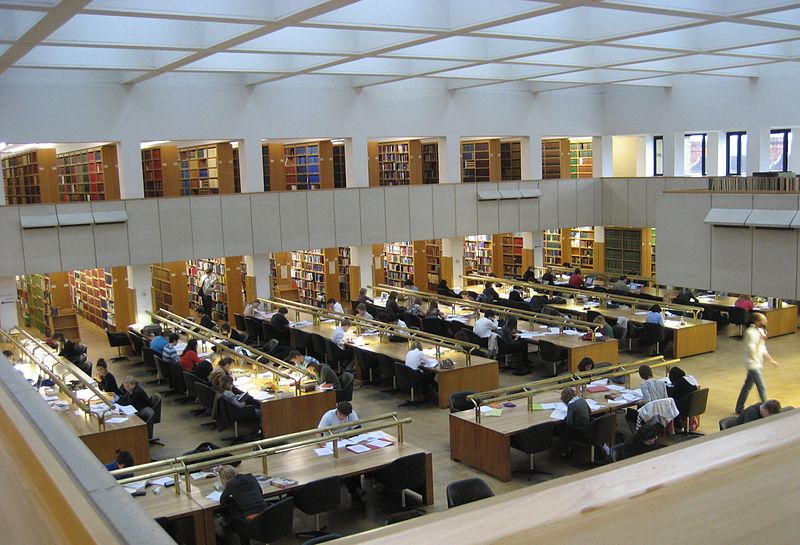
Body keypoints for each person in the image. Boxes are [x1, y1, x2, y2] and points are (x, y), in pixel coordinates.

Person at [317, 401, 367, 501]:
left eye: (344, 416)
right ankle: (352, 489)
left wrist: (359, 439)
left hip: (346, 442)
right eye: (340, 415)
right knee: (341, 464)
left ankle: (356, 489)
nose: (342, 418)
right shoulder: (328, 416)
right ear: (337, 411)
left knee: (352, 463)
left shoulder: (351, 414)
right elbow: (318, 432)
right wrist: (321, 442)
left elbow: (357, 429)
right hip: (331, 444)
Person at [735, 312, 779, 414]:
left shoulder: (760, 331)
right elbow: (752, 351)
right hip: (752, 364)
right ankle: (768, 409)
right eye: (763, 319)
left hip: (758, 363)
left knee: (747, 387)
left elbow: (763, 349)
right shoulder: (750, 333)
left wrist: (770, 359)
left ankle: (739, 408)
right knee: (761, 387)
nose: (766, 321)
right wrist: (761, 340)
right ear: (756, 321)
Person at [559, 387, 590, 457]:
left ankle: (567, 451)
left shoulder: (571, 405)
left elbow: (569, 422)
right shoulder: (582, 400)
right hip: (588, 426)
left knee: (562, 429)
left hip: (579, 430)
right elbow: (590, 411)